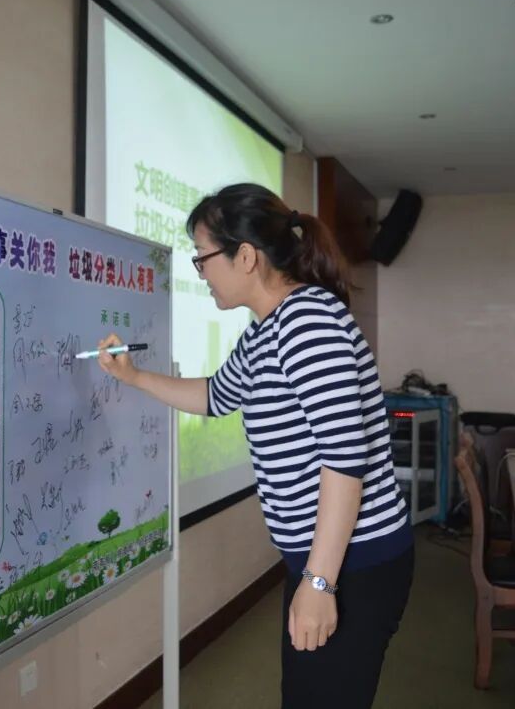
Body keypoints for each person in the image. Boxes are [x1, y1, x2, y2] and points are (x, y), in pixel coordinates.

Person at [96, 183, 413, 708]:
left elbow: (345, 461)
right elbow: (216, 396)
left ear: (245, 257)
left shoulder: (308, 323)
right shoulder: (266, 331)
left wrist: (319, 583)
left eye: (203, 258)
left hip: (353, 562)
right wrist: (134, 377)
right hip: (322, 560)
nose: (201, 273)